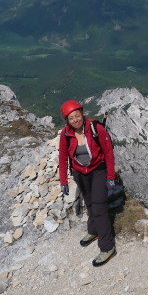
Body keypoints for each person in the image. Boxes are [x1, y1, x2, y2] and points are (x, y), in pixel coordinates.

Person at [58, 100, 117, 267]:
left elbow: (108, 152)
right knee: (89, 204)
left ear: (82, 114)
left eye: (77, 115)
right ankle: (94, 231)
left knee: (99, 207)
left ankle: (107, 247)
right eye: (71, 118)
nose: (75, 119)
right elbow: (62, 158)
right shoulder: (65, 134)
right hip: (79, 172)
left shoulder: (96, 129)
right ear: (67, 121)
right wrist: (63, 180)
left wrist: (110, 176)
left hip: (98, 170)